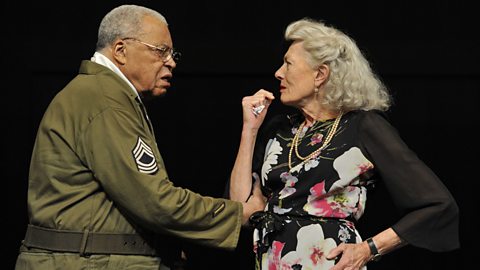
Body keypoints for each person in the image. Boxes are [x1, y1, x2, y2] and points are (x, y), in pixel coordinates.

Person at [15, 4, 266, 270]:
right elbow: (155, 201)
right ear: (121, 51)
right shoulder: (104, 100)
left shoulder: (105, 95)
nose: (171, 61)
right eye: (161, 51)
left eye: (172, 53)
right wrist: (238, 215)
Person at [228, 18, 460, 269]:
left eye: (288, 63)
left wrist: (368, 249)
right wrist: (249, 130)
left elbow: (437, 205)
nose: (279, 72)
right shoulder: (279, 129)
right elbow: (239, 209)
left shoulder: (362, 127)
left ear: (320, 75)